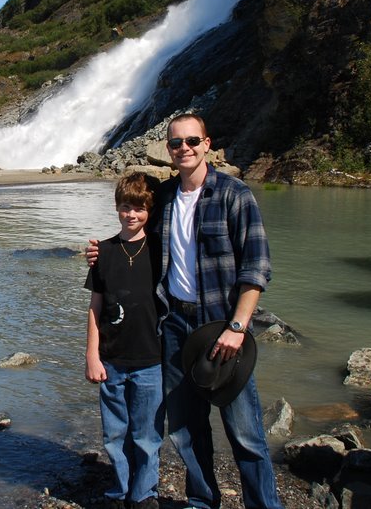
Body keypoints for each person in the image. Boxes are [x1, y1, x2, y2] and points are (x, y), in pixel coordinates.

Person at [88, 113, 282, 509]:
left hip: (221, 327)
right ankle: (202, 501)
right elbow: (133, 228)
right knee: (185, 428)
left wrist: (238, 326)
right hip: (174, 324)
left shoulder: (234, 194)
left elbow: (256, 267)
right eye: (176, 143)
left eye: (192, 141)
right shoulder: (164, 198)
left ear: (207, 144)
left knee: (244, 431)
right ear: (168, 149)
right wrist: (99, 252)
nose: (184, 149)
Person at [85, 172, 164, 509]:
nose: (132, 214)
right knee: (114, 433)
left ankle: (144, 494)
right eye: (125, 207)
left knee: (147, 435)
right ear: (117, 208)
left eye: (140, 208)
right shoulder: (102, 251)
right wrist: (92, 353)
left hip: (152, 359)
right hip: (112, 358)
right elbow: (95, 305)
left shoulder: (161, 249)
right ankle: (120, 490)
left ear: (150, 210)